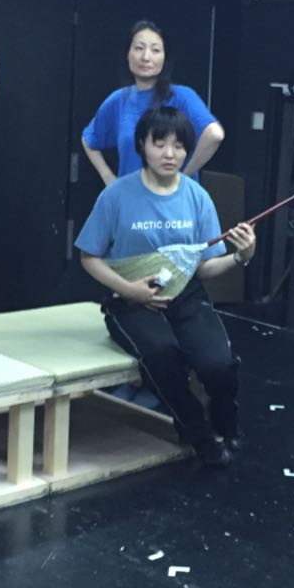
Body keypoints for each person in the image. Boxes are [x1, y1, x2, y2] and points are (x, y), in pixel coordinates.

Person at [76, 105, 254, 468]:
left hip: (185, 294)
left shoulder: (197, 197)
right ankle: (197, 433)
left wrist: (241, 256)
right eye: (159, 144)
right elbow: (89, 257)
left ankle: (226, 423)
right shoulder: (116, 196)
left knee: (218, 364)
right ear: (142, 145)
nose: (169, 154)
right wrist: (130, 291)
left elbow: (204, 268)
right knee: (163, 356)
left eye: (179, 145)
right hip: (129, 299)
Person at [81, 20, 224, 185]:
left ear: (165, 57)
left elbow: (214, 135)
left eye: (155, 50)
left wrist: (183, 177)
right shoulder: (118, 100)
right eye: (139, 48)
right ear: (127, 54)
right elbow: (89, 139)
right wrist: (107, 177)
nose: (146, 57)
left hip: (172, 199)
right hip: (130, 197)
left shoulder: (182, 97)